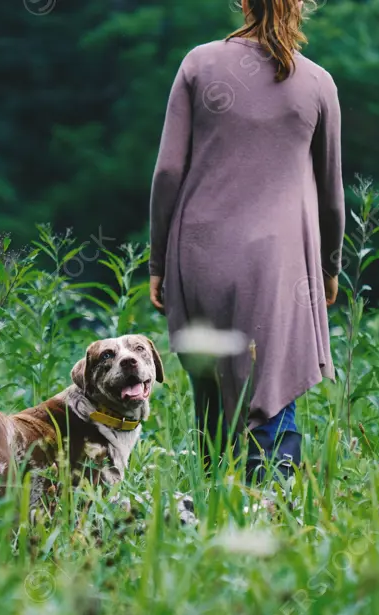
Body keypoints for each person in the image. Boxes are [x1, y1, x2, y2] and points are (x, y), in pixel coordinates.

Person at [147, 0, 345, 484]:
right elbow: (331, 193)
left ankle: (213, 504)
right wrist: (329, 266)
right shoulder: (317, 83)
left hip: (200, 251)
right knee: (271, 383)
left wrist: (157, 261)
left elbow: (169, 170)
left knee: (213, 384)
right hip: (279, 263)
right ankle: (268, 507)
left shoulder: (198, 63)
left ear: (242, 2)